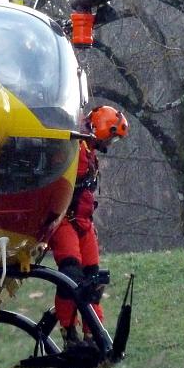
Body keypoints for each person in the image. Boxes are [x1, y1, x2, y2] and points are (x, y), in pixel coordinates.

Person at [49, 105, 129, 349]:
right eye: (110, 138)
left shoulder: (89, 151)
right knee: (71, 276)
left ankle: (93, 332)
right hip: (65, 220)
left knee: (93, 279)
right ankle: (68, 331)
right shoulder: (74, 148)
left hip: (83, 223)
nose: (109, 144)